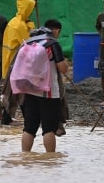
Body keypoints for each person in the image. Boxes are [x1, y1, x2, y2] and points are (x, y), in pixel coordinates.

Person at [17, 22, 68, 152]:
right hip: (49, 93)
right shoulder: (52, 44)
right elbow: (63, 69)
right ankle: (50, 159)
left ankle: (25, 156)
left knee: (29, 128)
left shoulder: (28, 44)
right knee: (49, 129)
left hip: (29, 90)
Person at [0, 0, 36, 126]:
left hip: (12, 63)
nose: (31, 13)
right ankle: (27, 119)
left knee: (15, 92)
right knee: (20, 93)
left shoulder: (14, 22)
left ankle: (8, 118)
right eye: (30, 10)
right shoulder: (19, 26)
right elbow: (30, 43)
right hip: (17, 64)